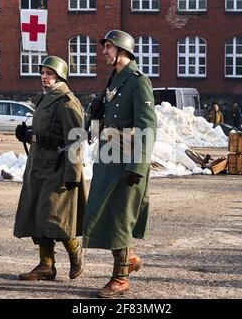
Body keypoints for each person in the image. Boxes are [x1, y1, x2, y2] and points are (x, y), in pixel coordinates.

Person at [83, 30, 157, 298]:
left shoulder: (139, 82)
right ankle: (129, 258)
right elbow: (103, 121)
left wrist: (138, 166)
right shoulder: (113, 80)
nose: (104, 51)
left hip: (127, 160)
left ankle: (120, 278)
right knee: (102, 213)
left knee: (121, 218)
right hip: (108, 158)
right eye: (104, 47)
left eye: (109, 47)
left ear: (123, 51)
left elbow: (147, 126)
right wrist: (91, 121)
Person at [13, 56, 87, 281]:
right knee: (37, 214)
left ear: (60, 76)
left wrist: (73, 173)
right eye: (43, 73)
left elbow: (76, 139)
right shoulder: (45, 99)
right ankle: (46, 265)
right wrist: (28, 135)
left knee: (55, 217)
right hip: (38, 165)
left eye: (49, 73)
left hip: (58, 168)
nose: (44, 77)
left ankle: (76, 253)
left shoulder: (66, 101)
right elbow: (47, 130)